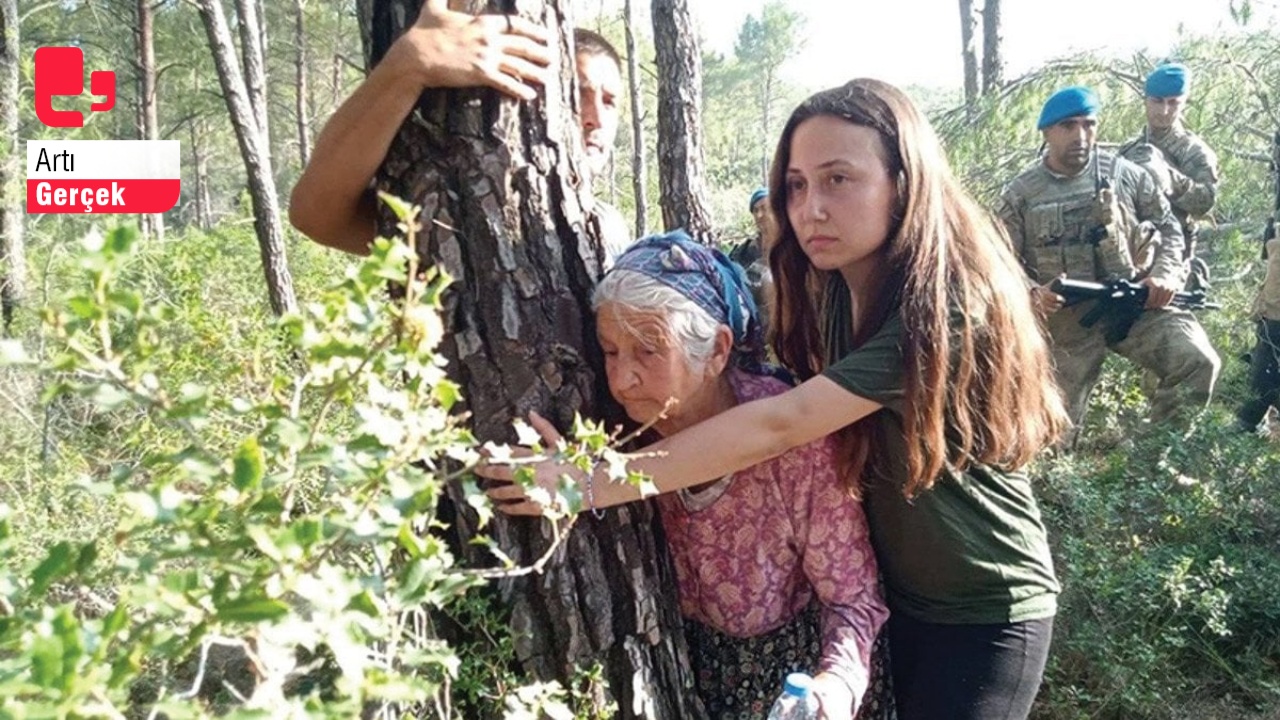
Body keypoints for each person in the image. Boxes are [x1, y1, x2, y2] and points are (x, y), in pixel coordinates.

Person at [483, 78, 1069, 720]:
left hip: (984, 606)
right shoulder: (841, 289)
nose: (810, 207)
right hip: (902, 595)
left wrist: (590, 482)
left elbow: (782, 424)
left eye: (838, 179)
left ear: (904, 182)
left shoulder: (943, 308)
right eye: (796, 184)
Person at [588, 232, 891, 719]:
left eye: (648, 350)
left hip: (791, 685)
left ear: (716, 350)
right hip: (674, 676)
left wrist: (832, 686)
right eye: (609, 351)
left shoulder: (793, 442)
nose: (623, 380)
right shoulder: (617, 430)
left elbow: (853, 599)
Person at [288, 0, 629, 261]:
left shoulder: (612, 233)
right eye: (577, 95)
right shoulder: (459, 204)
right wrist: (407, 67)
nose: (594, 117)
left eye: (610, 101)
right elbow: (316, 213)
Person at [997, 85, 1220, 440]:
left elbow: (1168, 228)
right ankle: (1057, 484)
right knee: (1052, 430)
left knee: (1196, 360)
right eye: (1069, 126)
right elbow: (998, 259)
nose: (1081, 135)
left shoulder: (1127, 175)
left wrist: (1164, 275)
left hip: (1134, 305)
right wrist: (1031, 292)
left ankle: (1155, 465)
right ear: (1047, 132)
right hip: (1068, 319)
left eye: (1089, 124)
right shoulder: (1022, 193)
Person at [1120, 63, 1220, 289]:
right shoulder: (1129, 150)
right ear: (1145, 100)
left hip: (1172, 263)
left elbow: (1205, 202)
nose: (1164, 110)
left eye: (1173, 102)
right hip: (1129, 259)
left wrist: (1172, 180)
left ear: (1183, 103)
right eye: (1157, 101)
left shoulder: (1194, 151)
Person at [728, 187, 774, 328]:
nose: (759, 214)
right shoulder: (744, 251)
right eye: (755, 210)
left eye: (764, 208)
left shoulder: (791, 245)